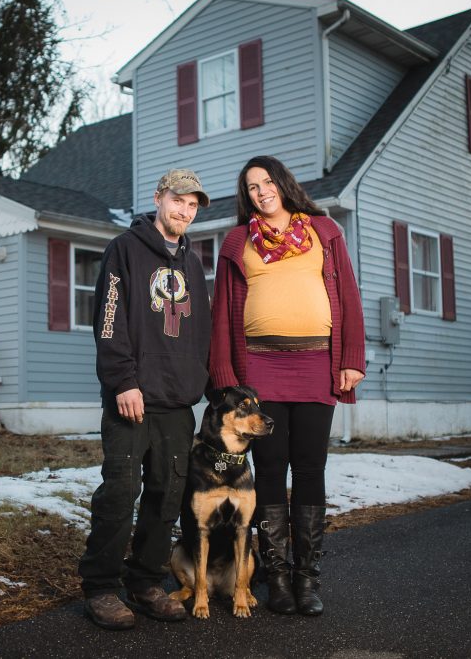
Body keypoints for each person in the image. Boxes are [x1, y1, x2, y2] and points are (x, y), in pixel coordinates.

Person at [209, 155, 365, 617]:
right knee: (272, 467)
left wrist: (352, 359)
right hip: (260, 369)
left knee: (311, 467)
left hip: (318, 364)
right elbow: (222, 313)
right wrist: (225, 379)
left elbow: (349, 297)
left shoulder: (324, 231)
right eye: (251, 187)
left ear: (282, 183)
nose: (261, 191)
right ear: (247, 197)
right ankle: (276, 578)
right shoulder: (238, 241)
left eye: (267, 181)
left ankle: (307, 579)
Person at [79, 168, 212, 630]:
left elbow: (200, 333)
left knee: (167, 495)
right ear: (159, 198)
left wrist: (203, 385)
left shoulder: (193, 265)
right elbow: (109, 320)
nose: (185, 211)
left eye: (193, 205)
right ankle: (100, 587)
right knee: (120, 491)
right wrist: (123, 381)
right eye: (178, 201)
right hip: (131, 399)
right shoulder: (125, 250)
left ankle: (145, 582)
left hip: (178, 403)